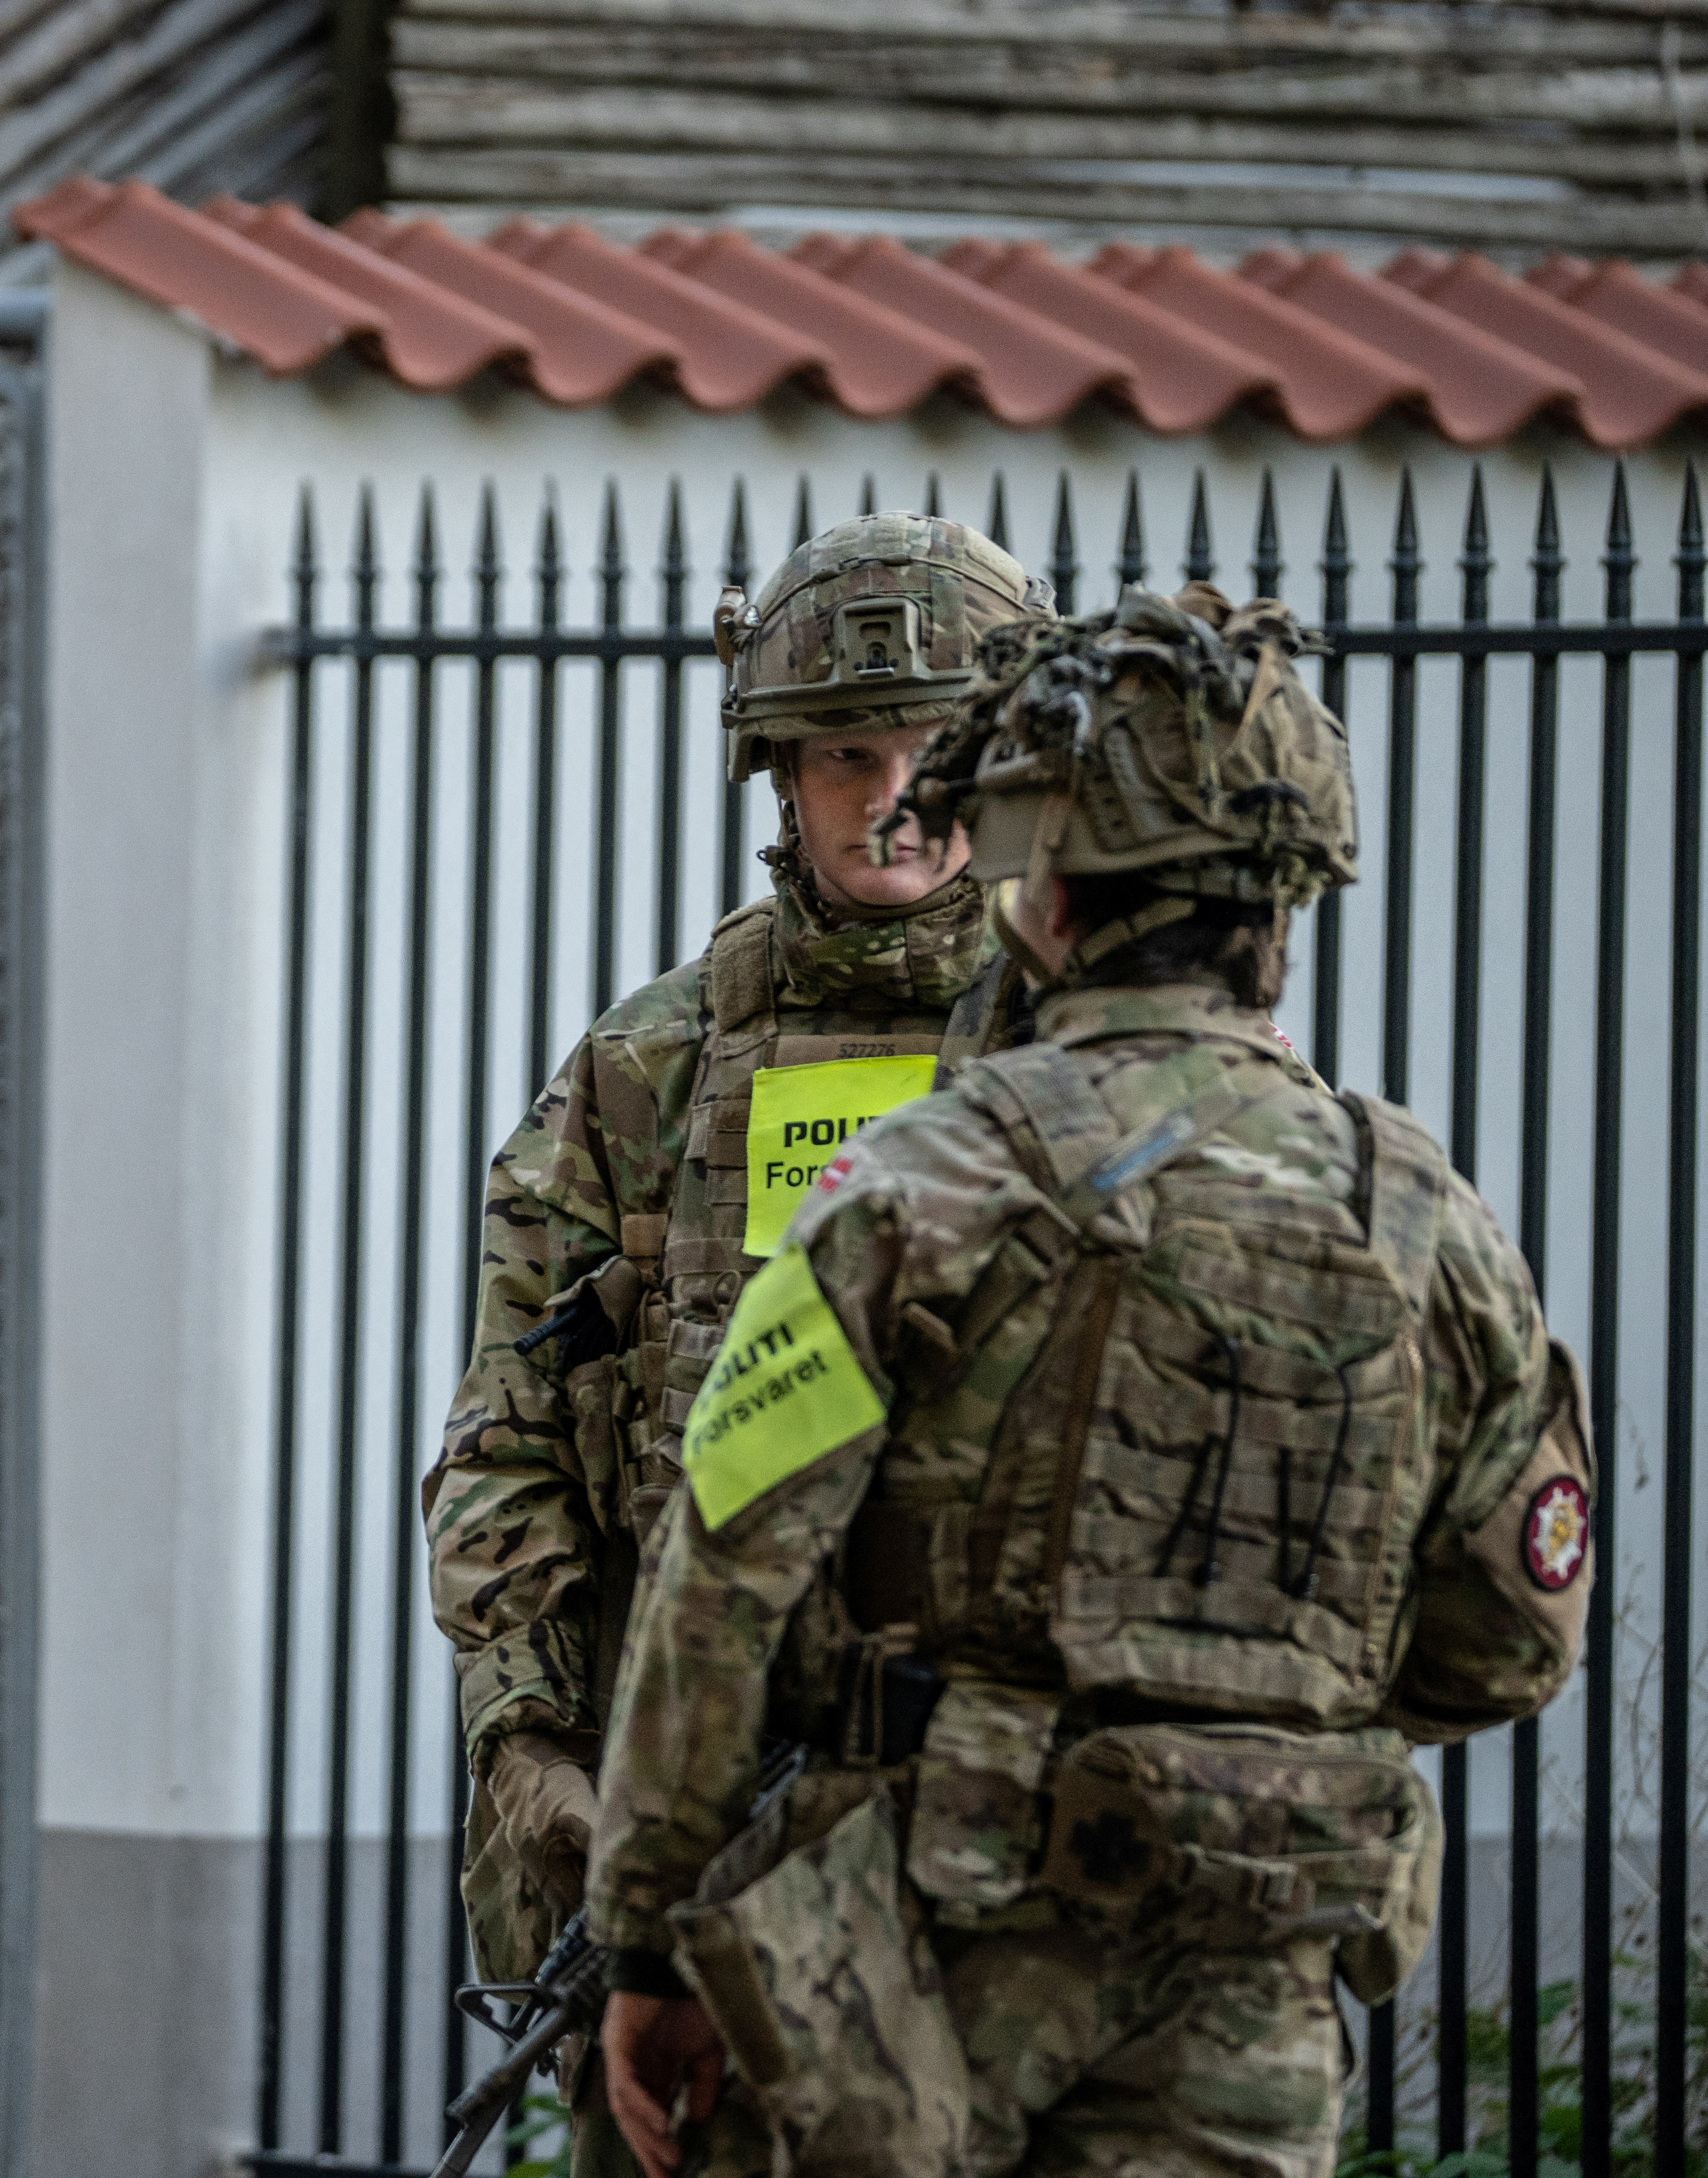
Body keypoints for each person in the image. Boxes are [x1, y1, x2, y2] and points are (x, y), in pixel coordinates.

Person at [587, 585, 1592, 2176]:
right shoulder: (1424, 1220)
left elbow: (724, 1580)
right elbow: (1509, 1645)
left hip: (926, 1960)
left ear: (1041, 896)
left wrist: (650, 1939)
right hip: (1257, 1968)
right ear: (1287, 890)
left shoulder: (915, 1188)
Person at [424, 514, 1048, 2169]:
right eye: (847, 748)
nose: (892, 791)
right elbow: (504, 1443)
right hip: (697, 1850)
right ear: (779, 769)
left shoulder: (1090, 1054)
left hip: (1011, 1855)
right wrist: (534, 1746)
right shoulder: (657, 1069)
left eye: (933, 746)